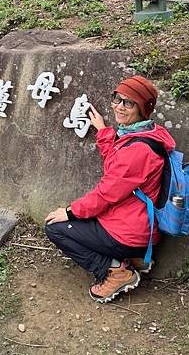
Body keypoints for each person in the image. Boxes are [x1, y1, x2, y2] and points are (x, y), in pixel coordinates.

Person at [45, 75, 175, 303]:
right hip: (139, 226)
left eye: (129, 103)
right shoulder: (146, 134)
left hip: (127, 231)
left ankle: (115, 271)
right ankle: (135, 258)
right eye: (117, 98)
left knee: (55, 228)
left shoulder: (139, 149)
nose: (119, 106)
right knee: (77, 223)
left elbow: (107, 193)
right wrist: (104, 132)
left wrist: (69, 212)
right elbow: (117, 168)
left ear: (143, 108)